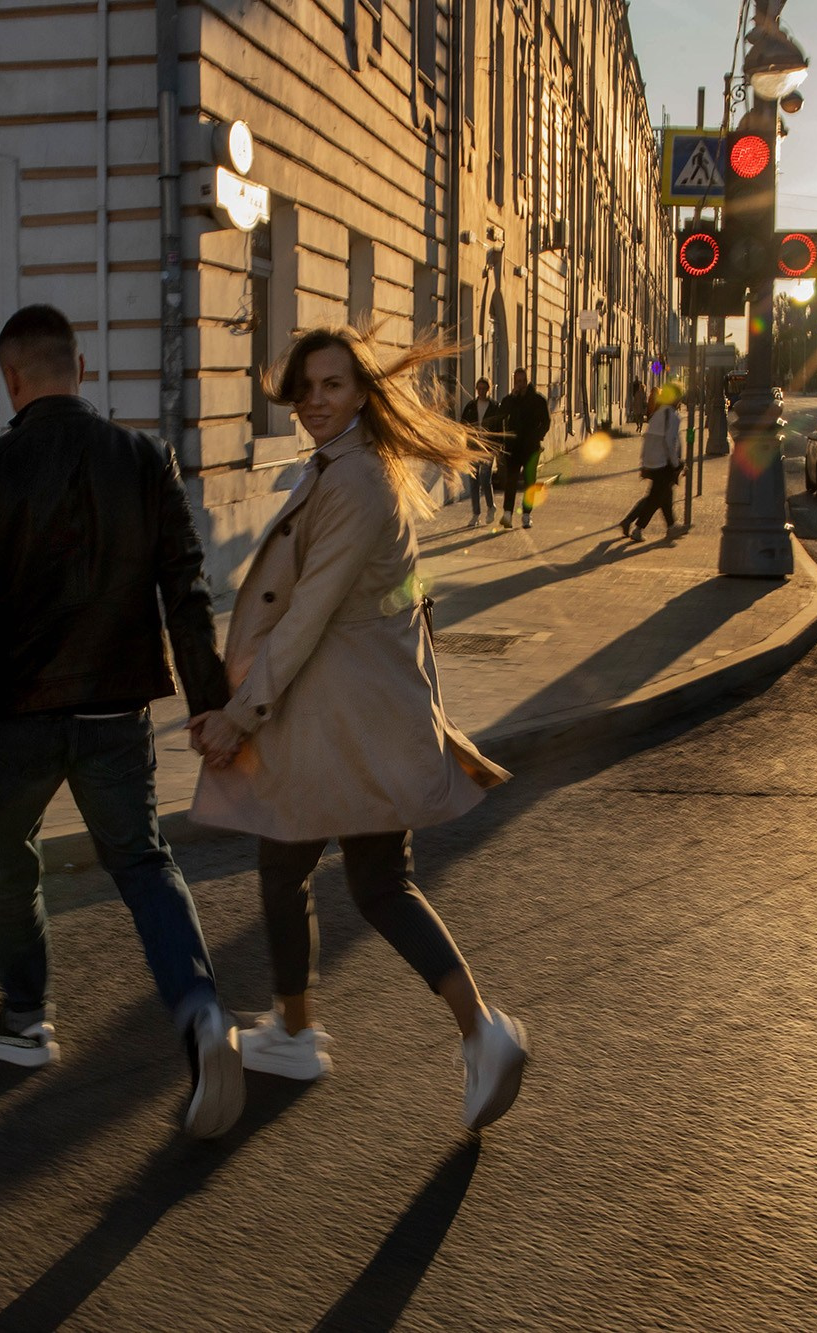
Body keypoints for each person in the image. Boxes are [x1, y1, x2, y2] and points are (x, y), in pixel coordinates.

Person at [0, 303, 244, 1140]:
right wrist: (210, 702)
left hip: (19, 717)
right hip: (114, 711)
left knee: (10, 860)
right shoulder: (141, 458)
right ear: (81, 371)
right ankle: (200, 1010)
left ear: (10, 377)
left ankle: (25, 1016)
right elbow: (186, 587)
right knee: (142, 861)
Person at [188, 326, 529, 1132]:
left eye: (332, 386)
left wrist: (240, 717)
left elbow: (304, 617)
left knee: (291, 865)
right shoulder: (357, 469)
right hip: (363, 714)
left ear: (362, 393)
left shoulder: (354, 481)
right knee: (375, 882)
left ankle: (307, 1034)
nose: (314, 401)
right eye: (305, 388)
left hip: (334, 720)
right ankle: (475, 1031)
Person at [620, 382, 684, 541]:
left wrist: (643, 462)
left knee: (664, 496)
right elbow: (670, 442)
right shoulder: (672, 416)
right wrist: (676, 464)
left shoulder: (658, 413)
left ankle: (671, 527)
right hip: (663, 464)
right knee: (655, 499)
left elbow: (647, 439)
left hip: (651, 461)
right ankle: (638, 529)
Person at [496, 368, 551, 529]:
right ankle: (507, 514)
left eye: (522, 381)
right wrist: (511, 399)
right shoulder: (509, 400)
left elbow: (546, 422)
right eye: (517, 381)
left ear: (527, 381)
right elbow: (501, 416)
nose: (519, 384)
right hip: (513, 448)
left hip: (531, 448)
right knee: (510, 481)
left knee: (529, 483)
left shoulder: (537, 400)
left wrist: (537, 437)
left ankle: (526, 515)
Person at [458, 376, 499, 526]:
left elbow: (500, 428)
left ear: (489, 389)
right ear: (476, 389)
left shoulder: (495, 407)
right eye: (479, 389)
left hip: (488, 447)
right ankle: (476, 514)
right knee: (473, 480)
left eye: (484, 388)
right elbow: (463, 425)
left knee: (485, 478)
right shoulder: (470, 406)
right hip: (473, 447)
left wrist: (497, 447)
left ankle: (491, 507)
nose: (481, 391)